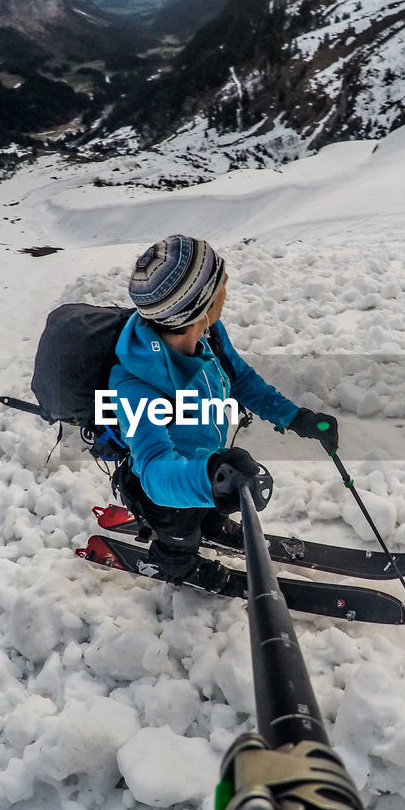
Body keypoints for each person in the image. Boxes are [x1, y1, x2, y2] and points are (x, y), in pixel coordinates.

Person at [108, 234, 339, 588]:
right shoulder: (135, 383)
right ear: (198, 307)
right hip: (167, 495)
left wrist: (295, 418)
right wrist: (209, 478)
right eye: (220, 286)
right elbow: (153, 467)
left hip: (207, 467)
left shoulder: (209, 335)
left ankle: (210, 522)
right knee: (179, 534)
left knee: (208, 506)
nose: (227, 288)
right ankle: (177, 564)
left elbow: (240, 379)